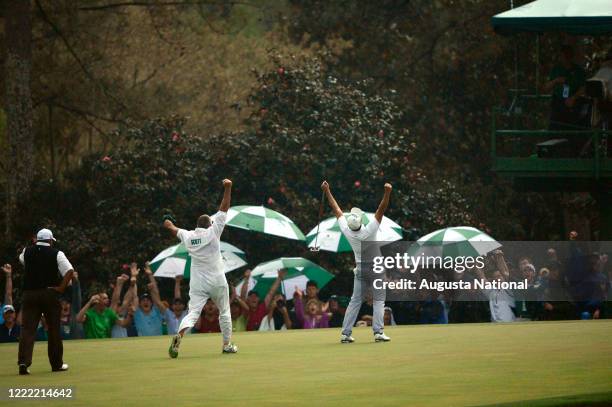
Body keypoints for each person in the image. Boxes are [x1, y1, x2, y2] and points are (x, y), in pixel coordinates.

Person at [164, 178, 238, 357]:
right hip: (217, 280)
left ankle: (180, 334)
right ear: (210, 224)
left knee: (193, 312)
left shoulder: (188, 236)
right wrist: (228, 187)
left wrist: (167, 220)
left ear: (197, 226)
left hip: (198, 282)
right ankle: (227, 344)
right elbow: (224, 207)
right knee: (225, 310)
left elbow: (171, 228)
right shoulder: (214, 232)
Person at [321, 180, 393, 343]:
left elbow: (336, 209)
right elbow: (381, 209)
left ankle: (345, 334)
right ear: (361, 222)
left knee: (355, 301)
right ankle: (378, 333)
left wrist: (327, 191)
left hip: (360, 270)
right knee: (379, 299)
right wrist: (387, 192)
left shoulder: (347, 231)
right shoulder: (370, 230)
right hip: (375, 269)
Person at [16, 228, 75, 375]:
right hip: (49, 293)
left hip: (29, 294)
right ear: (50, 240)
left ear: (37, 240)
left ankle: (23, 362)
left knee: (28, 329)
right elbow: (69, 271)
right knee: (53, 328)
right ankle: (56, 364)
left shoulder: (26, 252)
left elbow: (23, 261)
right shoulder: (57, 253)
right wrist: (61, 288)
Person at [544, 45, 587, 131]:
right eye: (563, 56)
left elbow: (583, 88)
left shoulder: (578, 71)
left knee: (571, 128)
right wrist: (556, 81)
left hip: (572, 103)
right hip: (558, 103)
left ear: (571, 56)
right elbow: (546, 87)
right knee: (554, 127)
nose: (565, 58)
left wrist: (573, 98)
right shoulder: (556, 69)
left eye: (567, 56)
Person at [59, 271, 84, 340]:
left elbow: (77, 297)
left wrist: (76, 281)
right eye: (63, 304)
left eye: (67, 304)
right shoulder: (54, 319)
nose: (65, 306)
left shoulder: (74, 313)